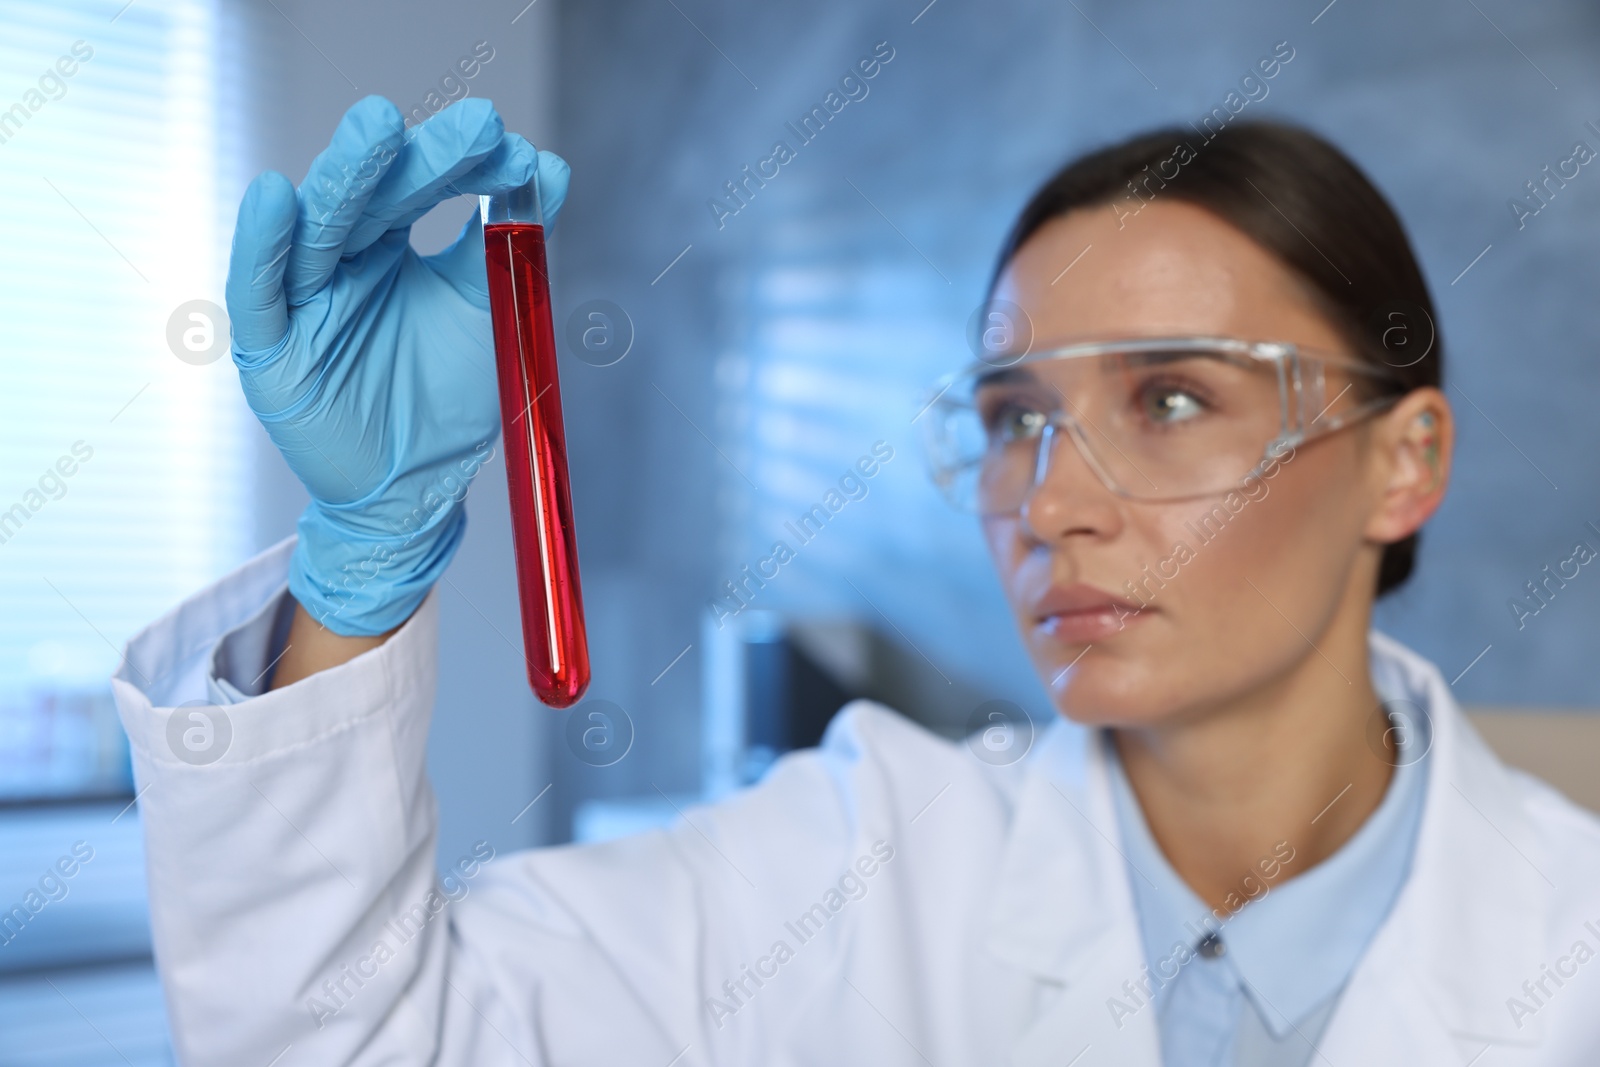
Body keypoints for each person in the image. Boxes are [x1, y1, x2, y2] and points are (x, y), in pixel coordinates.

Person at [111, 95, 1600, 1066]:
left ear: (1404, 459)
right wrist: (361, 560)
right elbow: (356, 1042)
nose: (1052, 501)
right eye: (1017, 417)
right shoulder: (862, 861)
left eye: (1174, 398)